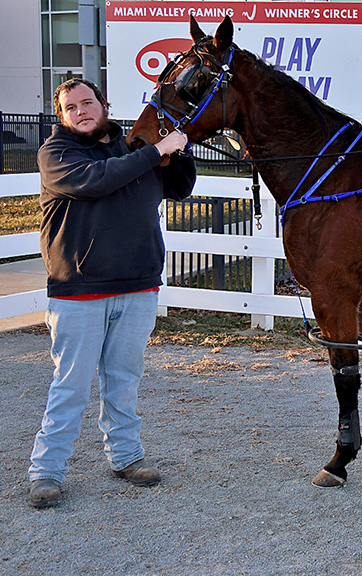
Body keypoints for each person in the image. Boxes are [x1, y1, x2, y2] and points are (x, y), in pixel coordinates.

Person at [27, 78, 196, 508]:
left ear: (105, 105)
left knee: (124, 381)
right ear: (61, 116)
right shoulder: (57, 153)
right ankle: (46, 471)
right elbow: (96, 181)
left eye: (88, 103)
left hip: (138, 285)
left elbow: (179, 188)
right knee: (71, 386)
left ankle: (126, 457)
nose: (81, 111)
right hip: (78, 289)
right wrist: (156, 151)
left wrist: (180, 152)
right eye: (71, 107)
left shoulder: (134, 147)